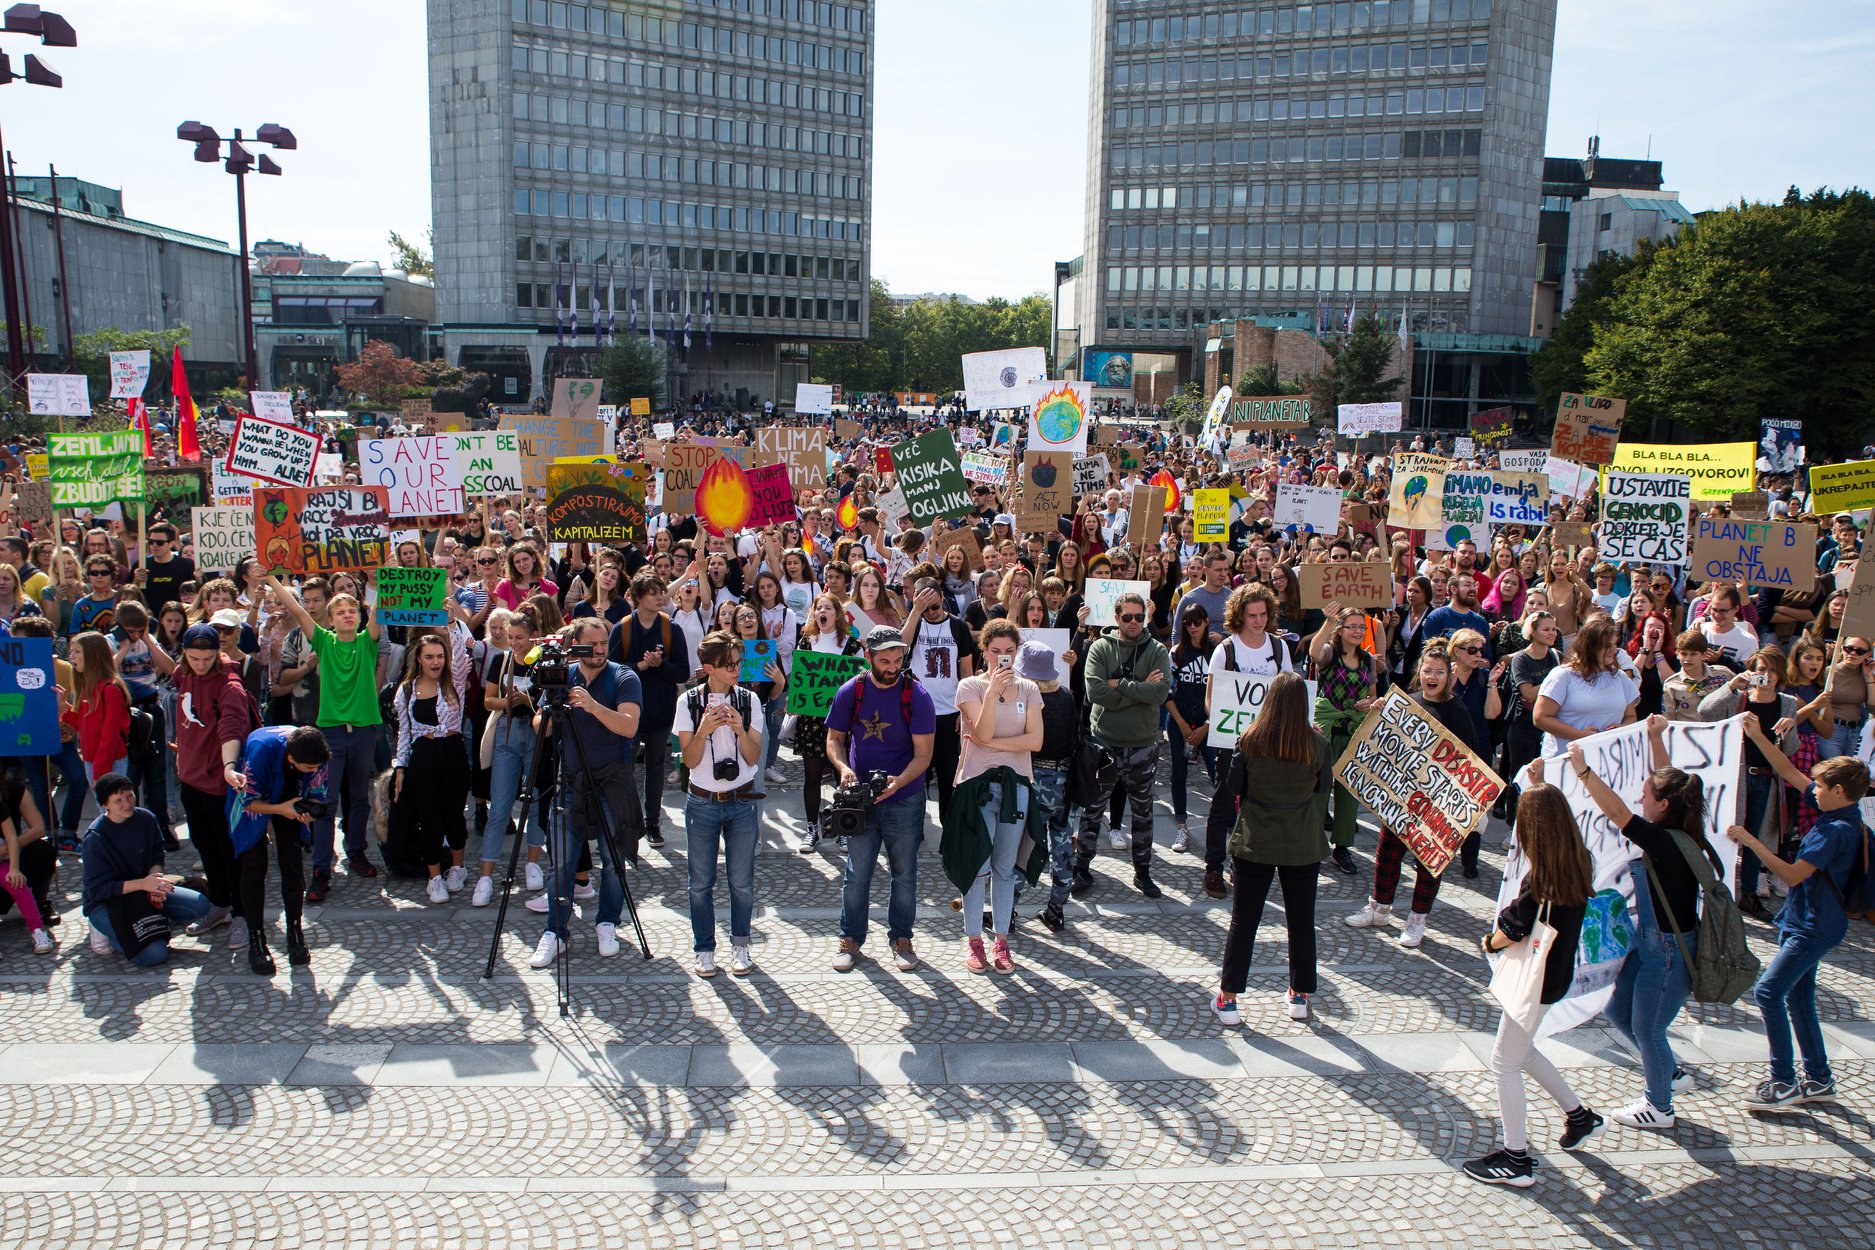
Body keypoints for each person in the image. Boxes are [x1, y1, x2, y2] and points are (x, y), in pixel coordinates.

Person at [1554, 716, 1717, 1129]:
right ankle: (1669, 1072)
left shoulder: (1665, 842)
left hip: (1667, 954)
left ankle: (1659, 1107)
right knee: (1617, 1009)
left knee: (1649, 1029)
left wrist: (1584, 772)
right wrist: (1655, 737)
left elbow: (1617, 812)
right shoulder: (1680, 826)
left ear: (1663, 807)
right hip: (1649, 944)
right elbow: (1669, 783)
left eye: (1647, 795)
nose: (1641, 798)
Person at [1462, 781, 1604, 1187]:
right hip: (1555, 977)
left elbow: (1511, 929)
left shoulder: (1541, 878)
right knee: (1522, 1053)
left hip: (1534, 982)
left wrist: (1488, 942)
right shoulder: (1579, 861)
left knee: (1504, 1063)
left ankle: (1516, 1158)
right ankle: (1580, 1117)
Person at [1726, 725, 1868, 1111]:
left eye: (1819, 786)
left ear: (1838, 791)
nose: (1813, 790)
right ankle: (1819, 1079)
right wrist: (1757, 736)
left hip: (1813, 925)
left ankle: (1783, 1081)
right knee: (1799, 998)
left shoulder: (1835, 831)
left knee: (1768, 992)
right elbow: (1789, 772)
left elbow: (1791, 876)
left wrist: (1751, 842)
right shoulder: (1841, 811)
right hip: (1805, 919)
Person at [1208, 673, 1333, 1025]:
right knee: (1301, 921)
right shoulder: (1317, 744)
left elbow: (1233, 786)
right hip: (1301, 842)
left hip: (1256, 840)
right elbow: (1323, 787)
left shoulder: (1249, 740)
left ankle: (1229, 999)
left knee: (1244, 921)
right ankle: (1299, 995)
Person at [1346, 642, 1486, 947]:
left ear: (1449, 676)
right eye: (1427, 670)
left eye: (1439, 672)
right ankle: (1379, 908)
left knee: (1428, 862)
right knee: (1387, 855)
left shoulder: (1457, 711)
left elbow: (1468, 759)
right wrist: (1379, 714)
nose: (1432, 677)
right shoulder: (1406, 702)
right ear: (1418, 672)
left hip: (1434, 802)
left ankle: (1417, 919)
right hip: (1400, 796)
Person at [529, 617, 645, 969]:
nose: (598, 650)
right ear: (575, 646)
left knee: (613, 861)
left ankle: (607, 922)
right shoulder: (563, 675)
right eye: (590, 644)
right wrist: (553, 708)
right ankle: (555, 931)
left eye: (603, 643)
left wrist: (593, 706)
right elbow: (539, 726)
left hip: (612, 781)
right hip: (571, 780)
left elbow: (629, 726)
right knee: (562, 862)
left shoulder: (623, 676)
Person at [265, 572, 382, 901]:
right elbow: (297, 610)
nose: (347, 615)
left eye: (352, 611)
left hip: (363, 731)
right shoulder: (324, 642)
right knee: (325, 803)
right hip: (330, 734)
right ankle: (321, 870)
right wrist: (272, 580)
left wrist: (386, 572)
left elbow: (380, 608)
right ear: (330, 620)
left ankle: (356, 851)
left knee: (359, 798)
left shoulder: (367, 642)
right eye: (340, 612)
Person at [826, 625, 936, 972]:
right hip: (860, 799)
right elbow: (834, 739)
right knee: (857, 872)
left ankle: (901, 938)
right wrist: (843, 768)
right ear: (868, 657)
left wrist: (899, 782)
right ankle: (850, 939)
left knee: (904, 873)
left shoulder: (917, 695)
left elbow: (924, 755)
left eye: (898, 660)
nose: (893, 667)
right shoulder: (851, 690)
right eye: (885, 661)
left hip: (904, 798)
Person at [947, 620, 1044, 974]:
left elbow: (1035, 741)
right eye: (995, 651)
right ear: (984, 651)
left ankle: (1001, 940)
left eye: (1009, 651)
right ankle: (974, 939)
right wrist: (991, 695)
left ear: (1017, 652)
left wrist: (992, 744)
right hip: (978, 786)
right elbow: (983, 729)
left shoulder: (1029, 688)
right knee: (977, 867)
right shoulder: (970, 686)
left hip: (1016, 786)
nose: (1002, 658)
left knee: (1004, 869)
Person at [674, 631, 764, 978]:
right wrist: (703, 731)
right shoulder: (688, 702)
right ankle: (704, 949)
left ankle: (740, 945)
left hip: (742, 800)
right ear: (708, 668)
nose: (736, 670)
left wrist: (740, 730)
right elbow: (690, 761)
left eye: (738, 663)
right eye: (729, 666)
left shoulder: (749, 701)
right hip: (702, 801)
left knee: (741, 882)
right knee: (700, 883)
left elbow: (753, 758)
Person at [1075, 591, 1174, 898]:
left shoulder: (1156, 650)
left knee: (1143, 812)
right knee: (1092, 811)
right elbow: (1095, 692)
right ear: (1116, 618)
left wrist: (1120, 684)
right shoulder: (1100, 648)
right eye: (1128, 617)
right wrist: (1140, 690)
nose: (1134, 622)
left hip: (1142, 745)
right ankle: (1081, 868)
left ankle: (1142, 872)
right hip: (1104, 744)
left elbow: (1160, 693)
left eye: (1139, 617)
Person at [170, 622, 261, 954]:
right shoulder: (183, 673)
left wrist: (228, 766)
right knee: (204, 846)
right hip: (191, 778)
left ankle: (242, 915)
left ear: (217, 653)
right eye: (193, 658)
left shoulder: (230, 686)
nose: (200, 664)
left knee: (230, 853)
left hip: (219, 785)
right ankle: (220, 903)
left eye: (207, 659)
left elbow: (232, 728)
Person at [1698, 645, 1802, 919]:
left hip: (1766, 779)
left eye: (1772, 671)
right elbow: (1705, 711)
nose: (1766, 676)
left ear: (1780, 675)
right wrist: (1730, 686)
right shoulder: (1739, 698)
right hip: (1735, 777)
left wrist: (1790, 727)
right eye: (1761, 669)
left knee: (1756, 840)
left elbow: (1790, 750)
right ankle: (1717, 888)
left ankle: (1748, 893)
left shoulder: (1787, 703)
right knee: (1727, 833)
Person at [227, 726, 331, 972]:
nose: (315, 770)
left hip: (290, 788)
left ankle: (295, 933)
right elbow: (247, 801)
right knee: (254, 865)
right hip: (255, 792)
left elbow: (316, 793)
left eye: (317, 766)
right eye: (309, 767)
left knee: (292, 861)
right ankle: (256, 941)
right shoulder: (260, 752)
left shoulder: (317, 754)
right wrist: (279, 809)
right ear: (292, 758)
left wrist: (308, 810)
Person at [82, 772, 213, 967]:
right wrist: (144, 884)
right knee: (155, 955)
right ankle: (109, 932)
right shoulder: (95, 839)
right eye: (118, 801)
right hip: (109, 902)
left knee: (200, 904)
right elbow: (98, 889)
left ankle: (153, 926)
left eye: (130, 796)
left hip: (144, 889)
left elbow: (157, 854)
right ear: (105, 805)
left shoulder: (146, 818)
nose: (127, 804)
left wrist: (154, 880)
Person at [472, 603, 550, 906]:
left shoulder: (542, 663)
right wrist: (510, 700)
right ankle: (486, 875)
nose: (515, 643)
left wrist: (527, 700)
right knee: (500, 805)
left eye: (520, 637)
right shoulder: (501, 660)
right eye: (511, 637)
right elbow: (488, 701)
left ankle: (532, 863)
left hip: (535, 732)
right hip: (507, 732)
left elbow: (548, 702)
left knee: (536, 800)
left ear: (533, 636)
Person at [610, 572, 690, 849]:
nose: (660, 598)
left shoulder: (671, 629)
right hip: (627, 712)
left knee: (655, 767)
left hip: (659, 710)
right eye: (653, 593)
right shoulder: (622, 629)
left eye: (661, 592)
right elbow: (610, 670)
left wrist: (661, 665)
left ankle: (652, 823)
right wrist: (640, 667)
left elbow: (683, 672)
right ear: (637, 597)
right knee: (624, 767)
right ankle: (626, 823)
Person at [391, 635, 471, 905]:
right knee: (429, 818)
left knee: (454, 815)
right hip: (423, 756)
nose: (436, 662)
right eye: (429, 657)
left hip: (453, 753)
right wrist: (401, 767)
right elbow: (404, 732)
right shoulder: (406, 690)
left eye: (440, 656)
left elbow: (460, 655)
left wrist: (451, 624)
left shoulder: (454, 681)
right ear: (419, 659)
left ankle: (458, 867)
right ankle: (434, 877)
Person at [1309, 604, 1380, 875]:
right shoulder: (1329, 653)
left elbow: (1373, 694)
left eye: (1362, 627)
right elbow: (1314, 653)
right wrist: (1327, 621)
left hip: (1352, 730)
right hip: (1325, 730)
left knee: (1349, 792)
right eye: (1353, 627)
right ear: (1341, 630)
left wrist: (1368, 703)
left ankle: (1342, 848)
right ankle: (1313, 845)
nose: (1359, 631)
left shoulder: (1368, 659)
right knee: (1319, 790)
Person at [903, 575, 979, 818]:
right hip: (918, 712)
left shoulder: (958, 627)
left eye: (935, 606)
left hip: (948, 712)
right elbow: (900, 648)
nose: (931, 612)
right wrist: (915, 612)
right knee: (916, 774)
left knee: (948, 776)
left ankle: (949, 826)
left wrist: (964, 710)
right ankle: (914, 824)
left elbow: (966, 672)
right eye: (925, 608)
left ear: (943, 598)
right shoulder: (914, 622)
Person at [793, 593, 863, 851]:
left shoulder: (852, 646)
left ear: (837, 614)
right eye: (819, 608)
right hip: (811, 720)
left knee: (841, 774)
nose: (823, 612)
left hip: (842, 722)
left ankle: (843, 827)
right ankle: (812, 828)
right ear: (814, 614)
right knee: (811, 776)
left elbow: (860, 683)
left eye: (828, 608)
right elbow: (800, 679)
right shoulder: (806, 642)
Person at [1532, 616, 1636, 757]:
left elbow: (1631, 716)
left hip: (1607, 759)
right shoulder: (1563, 675)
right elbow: (1540, 718)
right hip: (1566, 759)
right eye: (1607, 645)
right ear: (1590, 646)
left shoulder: (1620, 678)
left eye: (1614, 644)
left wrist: (1621, 728)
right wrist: (1580, 735)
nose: (1614, 650)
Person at [1166, 601, 1216, 853]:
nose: (1193, 627)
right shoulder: (1177, 652)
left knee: (1218, 774)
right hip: (1180, 719)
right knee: (1179, 774)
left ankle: (1223, 825)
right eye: (1187, 623)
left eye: (1197, 622)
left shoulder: (1217, 652)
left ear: (1206, 622)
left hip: (1209, 720)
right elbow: (1167, 692)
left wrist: (1206, 726)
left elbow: (1224, 692)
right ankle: (1182, 826)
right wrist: (1183, 725)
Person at [65, 631, 132, 783]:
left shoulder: (110, 689)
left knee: (110, 800)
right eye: (72, 651)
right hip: (92, 760)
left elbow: (110, 736)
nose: (72, 657)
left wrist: (100, 771)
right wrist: (64, 707)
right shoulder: (86, 686)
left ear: (93, 656)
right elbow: (83, 727)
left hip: (110, 762)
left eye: (77, 652)